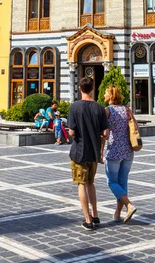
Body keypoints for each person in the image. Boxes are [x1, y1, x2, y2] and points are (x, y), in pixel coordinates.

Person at [68, 76, 109, 231]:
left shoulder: (74, 107)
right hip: (94, 152)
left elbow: (71, 132)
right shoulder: (99, 108)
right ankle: (96, 215)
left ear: (80, 89)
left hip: (79, 151)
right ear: (93, 88)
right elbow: (105, 132)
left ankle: (87, 219)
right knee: (91, 183)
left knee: (82, 184)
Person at [102, 86, 137, 223]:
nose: (104, 95)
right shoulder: (126, 109)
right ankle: (118, 213)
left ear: (110, 96)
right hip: (128, 151)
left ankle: (129, 205)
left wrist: (100, 150)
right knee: (123, 183)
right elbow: (136, 127)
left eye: (105, 93)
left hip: (114, 151)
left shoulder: (107, 111)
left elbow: (105, 133)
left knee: (111, 182)